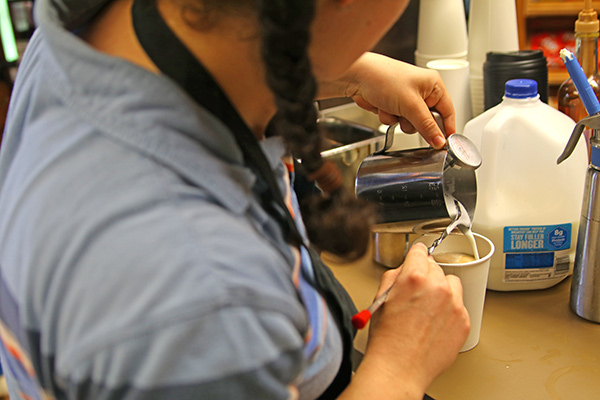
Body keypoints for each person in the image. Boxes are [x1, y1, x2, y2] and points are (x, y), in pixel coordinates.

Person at [0, 0, 470, 399]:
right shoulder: (206, 302)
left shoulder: (88, 32)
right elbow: (212, 318)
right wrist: (399, 367)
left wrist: (341, 67)